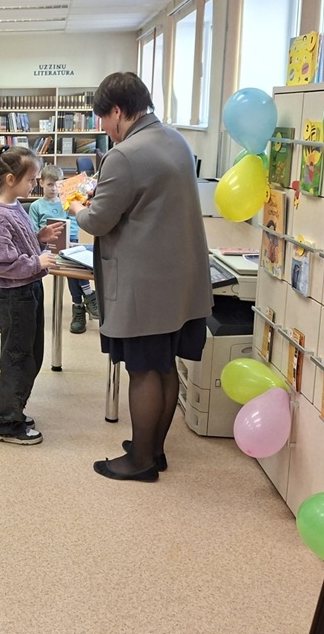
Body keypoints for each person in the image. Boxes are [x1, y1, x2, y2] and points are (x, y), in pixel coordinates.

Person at [69, 72, 212, 482]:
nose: (103, 128)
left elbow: (98, 221)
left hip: (145, 284)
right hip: (180, 279)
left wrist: (75, 206)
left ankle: (141, 461)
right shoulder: (175, 140)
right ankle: (154, 448)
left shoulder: (124, 155)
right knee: (165, 365)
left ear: (117, 111)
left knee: (144, 369)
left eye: (103, 118)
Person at [0, 146, 63, 445]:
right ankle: (6, 423)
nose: (35, 185)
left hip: (29, 290)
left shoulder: (16, 207)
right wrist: (36, 263)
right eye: (31, 180)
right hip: (15, 297)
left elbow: (18, 246)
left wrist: (38, 239)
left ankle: (6, 408)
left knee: (29, 354)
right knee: (18, 358)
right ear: (11, 179)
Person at [28, 164, 99, 334]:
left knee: (73, 265)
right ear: (41, 183)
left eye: (57, 184)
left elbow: (74, 224)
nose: (53, 188)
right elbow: (33, 230)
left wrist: (67, 238)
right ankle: (88, 294)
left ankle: (78, 306)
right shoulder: (36, 206)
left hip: (69, 242)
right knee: (71, 267)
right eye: (49, 184)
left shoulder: (66, 202)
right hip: (47, 247)